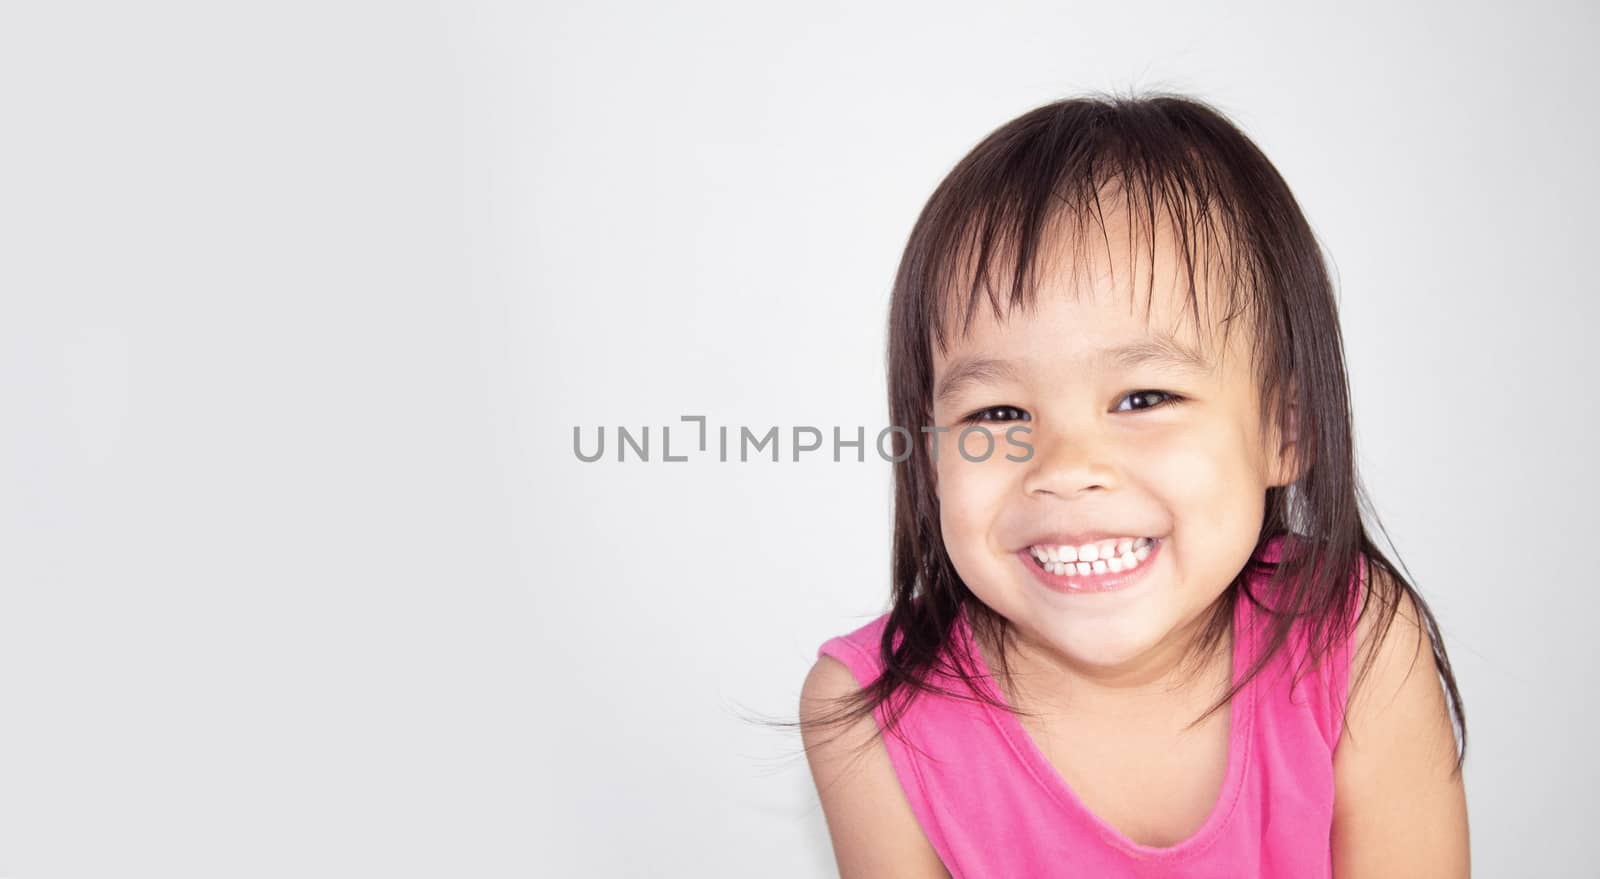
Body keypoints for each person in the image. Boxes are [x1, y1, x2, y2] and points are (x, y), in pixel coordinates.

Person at [796, 92, 1470, 878]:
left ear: (1286, 430)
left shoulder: (1356, 643)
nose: (1067, 467)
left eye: (1144, 398)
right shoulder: (873, 722)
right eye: (999, 410)